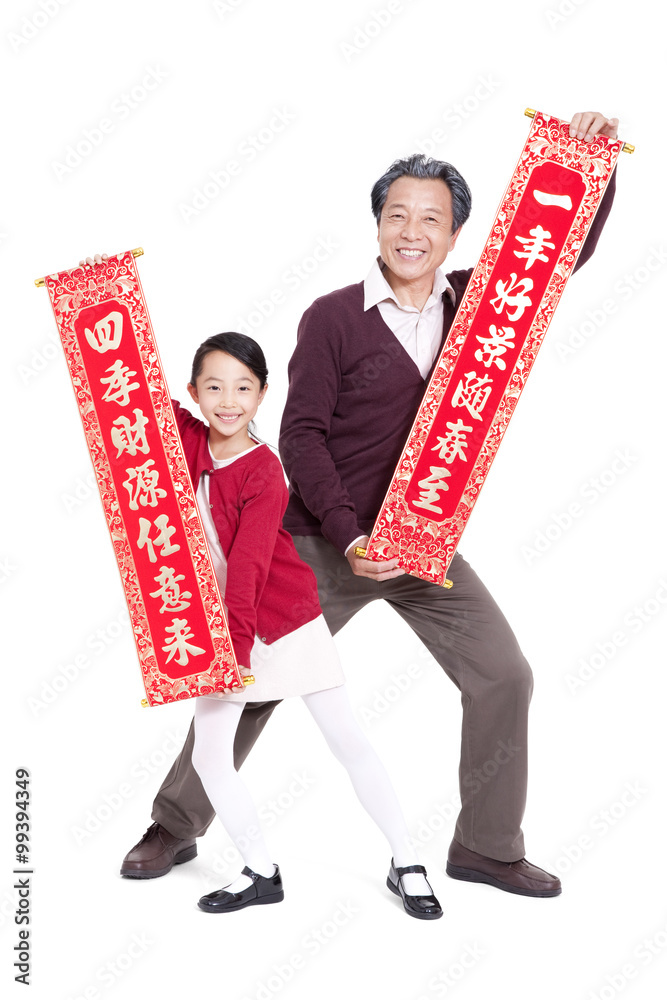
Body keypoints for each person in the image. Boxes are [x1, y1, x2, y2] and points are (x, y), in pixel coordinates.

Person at [120, 110, 619, 899]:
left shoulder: (479, 307)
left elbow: (557, 255)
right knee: (249, 680)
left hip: (423, 543)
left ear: (455, 235)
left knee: (504, 675)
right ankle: (175, 824)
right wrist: (351, 538)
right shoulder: (331, 317)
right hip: (323, 540)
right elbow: (302, 437)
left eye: (431, 219)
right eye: (397, 215)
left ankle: (485, 847)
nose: (411, 232)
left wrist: (590, 163)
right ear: (377, 224)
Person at [109, 326, 440, 917]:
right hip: (219, 626)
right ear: (195, 392)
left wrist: (233, 654)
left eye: (243, 388)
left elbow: (249, 568)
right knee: (211, 755)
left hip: (281, 624)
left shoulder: (265, 471)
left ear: (262, 395)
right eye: (213, 388)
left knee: (346, 740)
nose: (228, 401)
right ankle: (261, 870)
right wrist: (99, 301)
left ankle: (406, 861)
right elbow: (132, 393)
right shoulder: (188, 442)